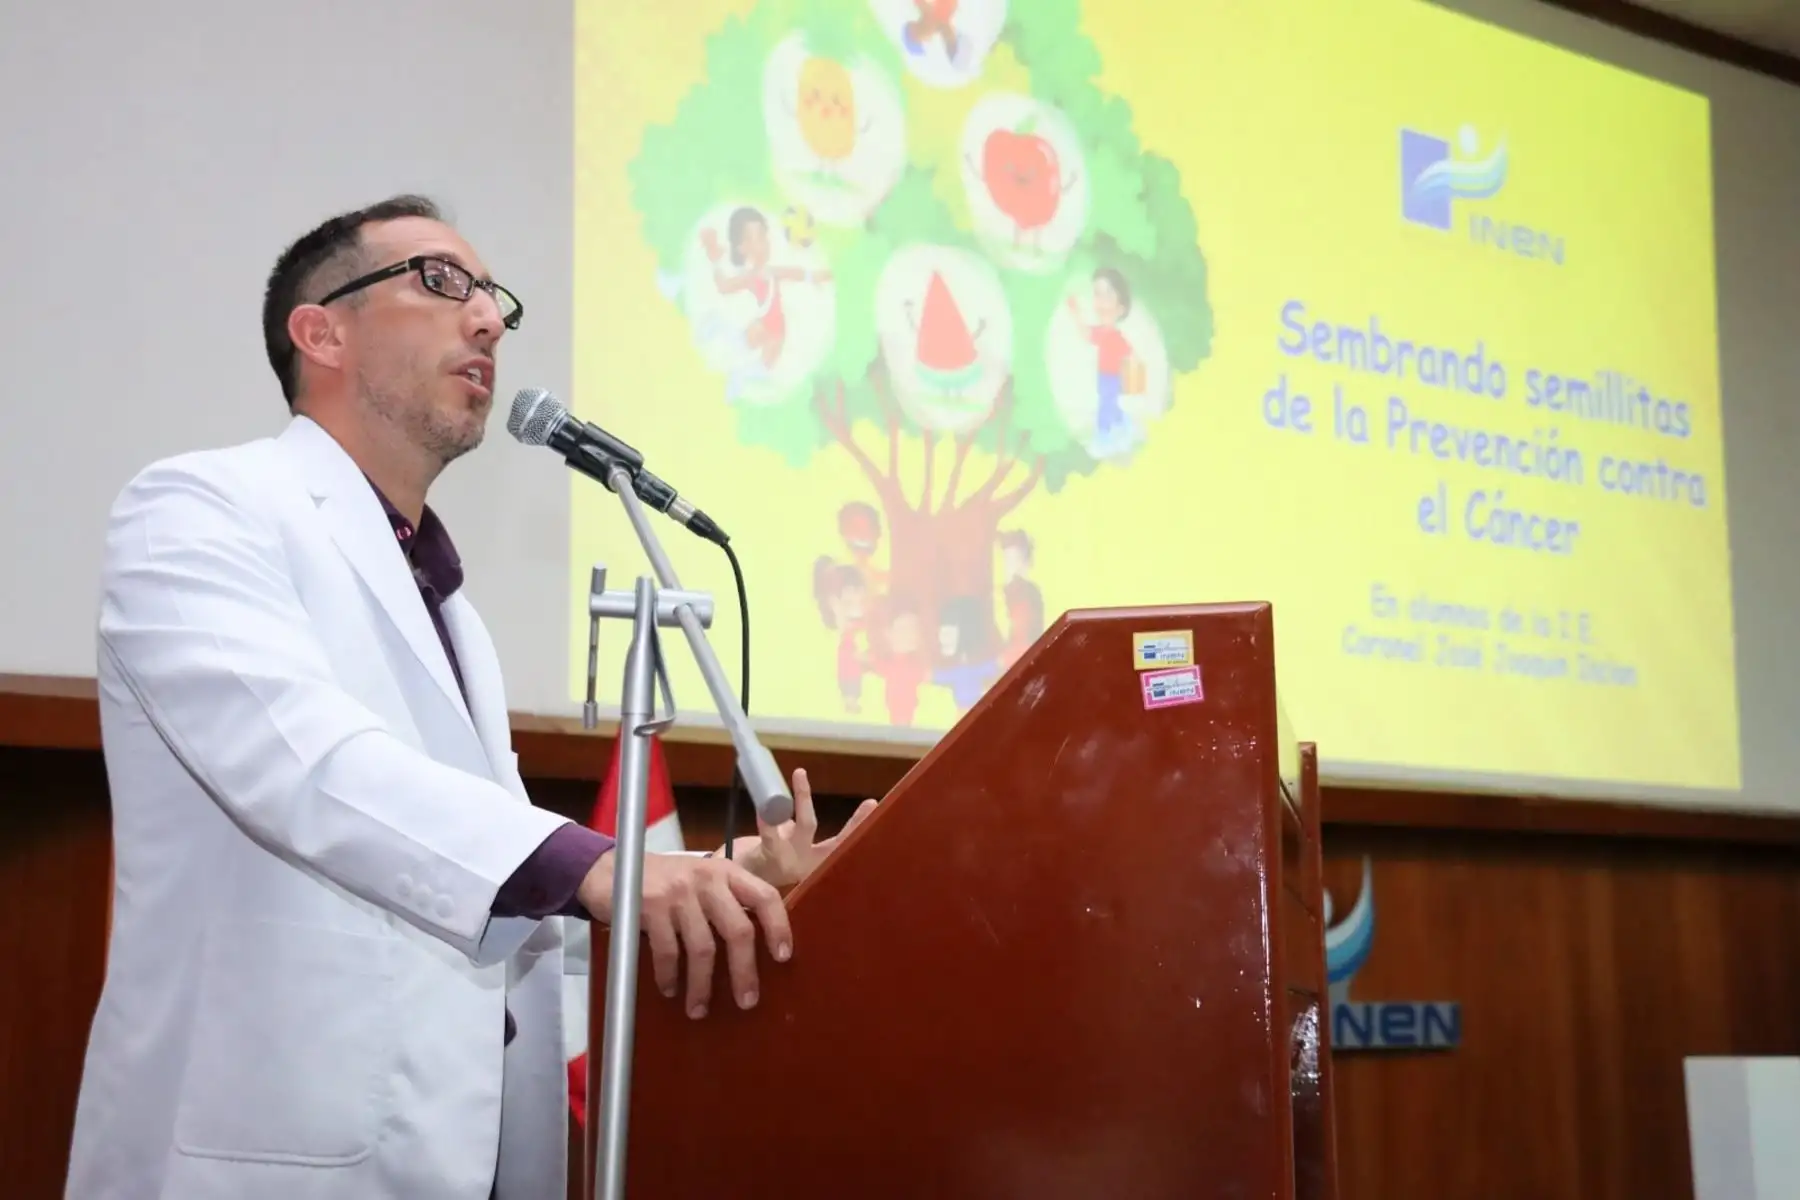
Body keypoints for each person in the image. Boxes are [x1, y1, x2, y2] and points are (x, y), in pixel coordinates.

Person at [64, 195, 873, 1200]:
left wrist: (723, 876)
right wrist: (601, 867)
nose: (487, 320)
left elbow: (489, 889)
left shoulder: (454, 613)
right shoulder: (198, 510)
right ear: (321, 332)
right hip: (266, 1163)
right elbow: (305, 766)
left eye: (494, 298)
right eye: (442, 283)